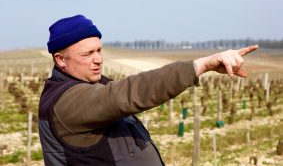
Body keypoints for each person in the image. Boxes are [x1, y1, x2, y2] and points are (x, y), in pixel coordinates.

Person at [38, 14, 258, 166]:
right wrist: (201, 66)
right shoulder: (65, 101)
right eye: (87, 54)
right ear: (60, 60)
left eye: (99, 50)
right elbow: (129, 93)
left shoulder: (94, 83)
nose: (98, 60)